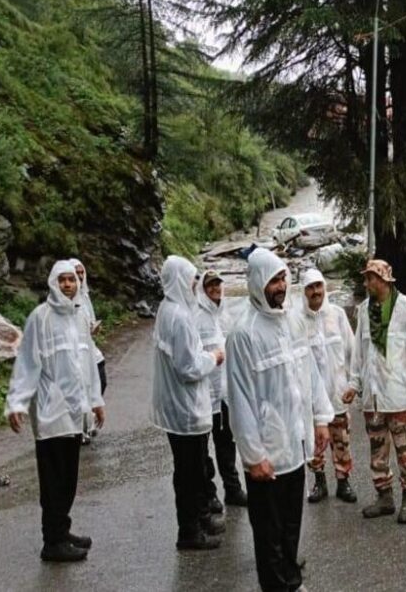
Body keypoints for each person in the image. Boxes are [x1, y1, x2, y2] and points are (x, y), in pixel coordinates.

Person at [226, 249, 332, 592]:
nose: (281, 286)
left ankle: (291, 578)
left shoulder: (294, 322)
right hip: (267, 453)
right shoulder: (243, 334)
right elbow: (239, 399)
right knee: (268, 532)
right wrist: (253, 455)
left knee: (290, 524)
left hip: (295, 446)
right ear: (257, 283)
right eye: (273, 280)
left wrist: (320, 419)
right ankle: (275, 585)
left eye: (284, 278)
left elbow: (311, 374)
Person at [5, 260, 105, 562]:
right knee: (53, 480)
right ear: (53, 283)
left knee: (69, 478)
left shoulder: (78, 317)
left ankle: (62, 530)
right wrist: (17, 403)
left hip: (75, 414)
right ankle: (52, 541)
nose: (67, 286)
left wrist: (96, 401)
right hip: (50, 413)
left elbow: (87, 366)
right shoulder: (40, 318)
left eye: (72, 280)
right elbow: (27, 363)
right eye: (62, 280)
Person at [342, 259, 406, 524]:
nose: (367, 283)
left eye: (371, 278)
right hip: (374, 397)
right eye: (366, 279)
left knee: (405, 451)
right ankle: (384, 497)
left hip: (399, 395)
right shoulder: (364, 310)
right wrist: (354, 385)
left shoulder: (405, 307)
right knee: (377, 451)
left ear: (383, 280)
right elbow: (359, 353)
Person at [149, 255, 226, 551]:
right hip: (185, 409)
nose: (195, 284)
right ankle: (190, 531)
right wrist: (214, 358)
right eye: (191, 279)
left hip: (178, 408)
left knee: (189, 470)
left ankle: (197, 520)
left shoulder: (169, 310)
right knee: (190, 472)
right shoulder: (179, 318)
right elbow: (188, 367)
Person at [194, 269, 249, 514]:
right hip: (205, 395)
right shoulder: (196, 317)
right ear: (203, 289)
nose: (215, 289)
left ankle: (233, 489)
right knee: (203, 449)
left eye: (218, 284)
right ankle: (208, 493)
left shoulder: (224, 314)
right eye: (210, 285)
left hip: (225, 392)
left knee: (226, 444)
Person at [301, 269, 358, 504]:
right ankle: (320, 483)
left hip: (337, 395)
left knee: (341, 441)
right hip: (313, 399)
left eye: (319, 286)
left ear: (324, 287)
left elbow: (353, 352)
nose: (316, 292)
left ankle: (343, 482)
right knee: (315, 443)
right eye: (310, 287)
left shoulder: (337, 315)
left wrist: (353, 384)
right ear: (304, 292)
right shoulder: (298, 322)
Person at [70, 258, 105, 444]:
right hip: (76, 354)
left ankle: (88, 421)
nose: (80, 276)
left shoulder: (85, 295)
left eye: (82, 272)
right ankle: (80, 431)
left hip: (90, 349)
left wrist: (93, 327)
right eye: (76, 272)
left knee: (99, 380)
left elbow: (88, 322)